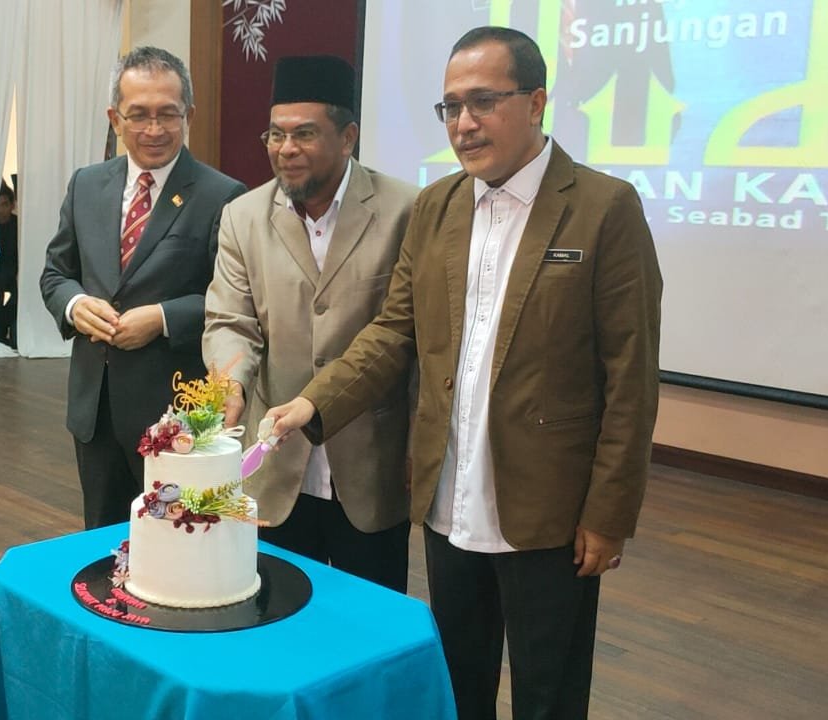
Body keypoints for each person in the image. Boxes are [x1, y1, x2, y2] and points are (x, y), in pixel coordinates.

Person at [264, 27, 663, 720]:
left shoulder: (604, 208)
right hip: (449, 496)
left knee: (549, 691)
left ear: (536, 103)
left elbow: (630, 378)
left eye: (483, 102)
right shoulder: (438, 207)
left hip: (550, 510)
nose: (464, 123)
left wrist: (609, 514)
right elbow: (394, 330)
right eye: (450, 107)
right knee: (459, 681)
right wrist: (313, 403)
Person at [203, 55, 417, 592]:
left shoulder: (405, 210)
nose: (286, 149)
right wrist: (230, 382)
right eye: (275, 135)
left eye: (304, 134)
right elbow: (230, 319)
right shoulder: (244, 216)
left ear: (348, 138)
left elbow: (407, 334)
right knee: (275, 610)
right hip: (275, 468)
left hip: (370, 465)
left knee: (367, 619)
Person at [41, 46, 246, 529]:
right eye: (138, 115)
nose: (154, 129)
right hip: (95, 409)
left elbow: (233, 300)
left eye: (167, 114)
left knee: (176, 538)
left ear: (188, 116)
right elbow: (55, 273)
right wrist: (74, 304)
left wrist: (163, 317)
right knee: (102, 540)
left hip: (175, 413)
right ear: (115, 118)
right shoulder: (86, 185)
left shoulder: (222, 195)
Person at [0, 180, 19, 348]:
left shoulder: (19, 226)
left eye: (4, 204)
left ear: (12, 205)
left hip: (15, 273)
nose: (0, 210)